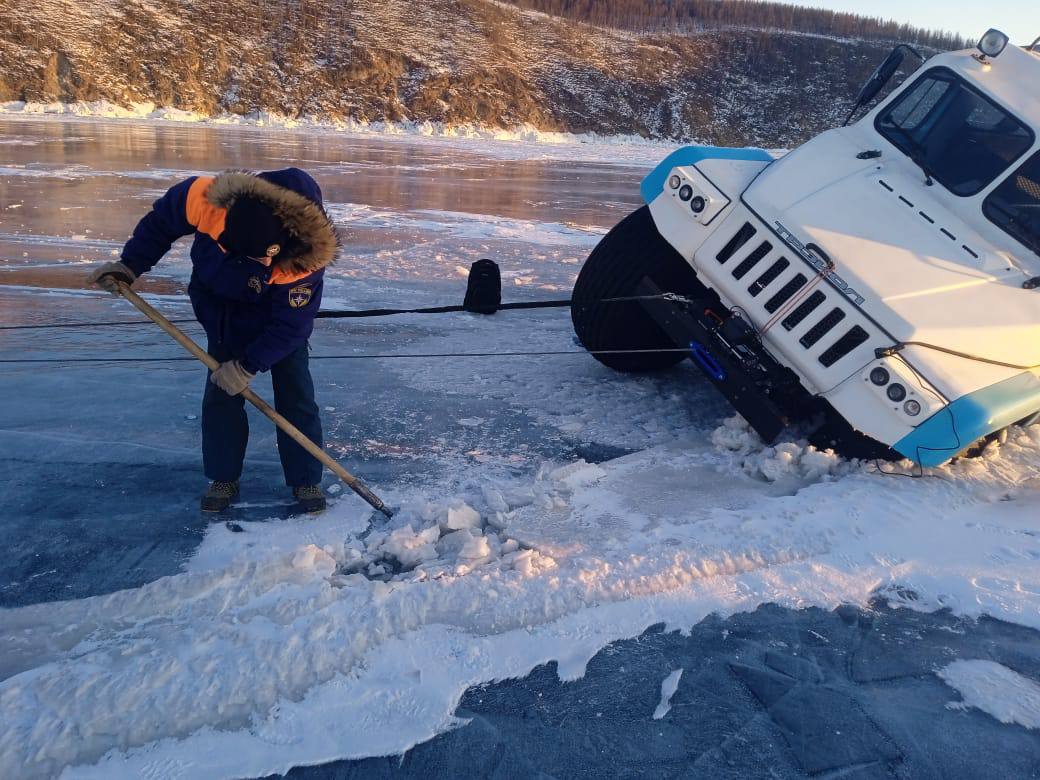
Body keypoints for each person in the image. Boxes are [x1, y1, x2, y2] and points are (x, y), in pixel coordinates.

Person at [88, 168, 339, 513]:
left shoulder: (304, 258)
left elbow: (292, 326)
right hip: (220, 308)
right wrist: (130, 265)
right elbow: (162, 222)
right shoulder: (207, 199)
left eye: (262, 257)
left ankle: (305, 478)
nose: (259, 263)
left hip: (275, 323)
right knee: (221, 391)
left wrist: (249, 365)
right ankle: (224, 477)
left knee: (296, 393)